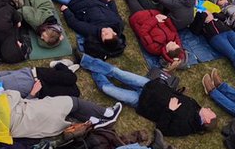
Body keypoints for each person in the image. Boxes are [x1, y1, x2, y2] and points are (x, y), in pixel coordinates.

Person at [77, 54, 215, 136]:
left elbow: (163, 129)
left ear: (207, 121)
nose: (209, 109)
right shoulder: (196, 105)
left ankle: (94, 70)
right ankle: (86, 60)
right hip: (149, 85)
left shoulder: (187, 127)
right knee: (118, 73)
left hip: (141, 102)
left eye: (210, 112)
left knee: (108, 89)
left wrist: (170, 110)